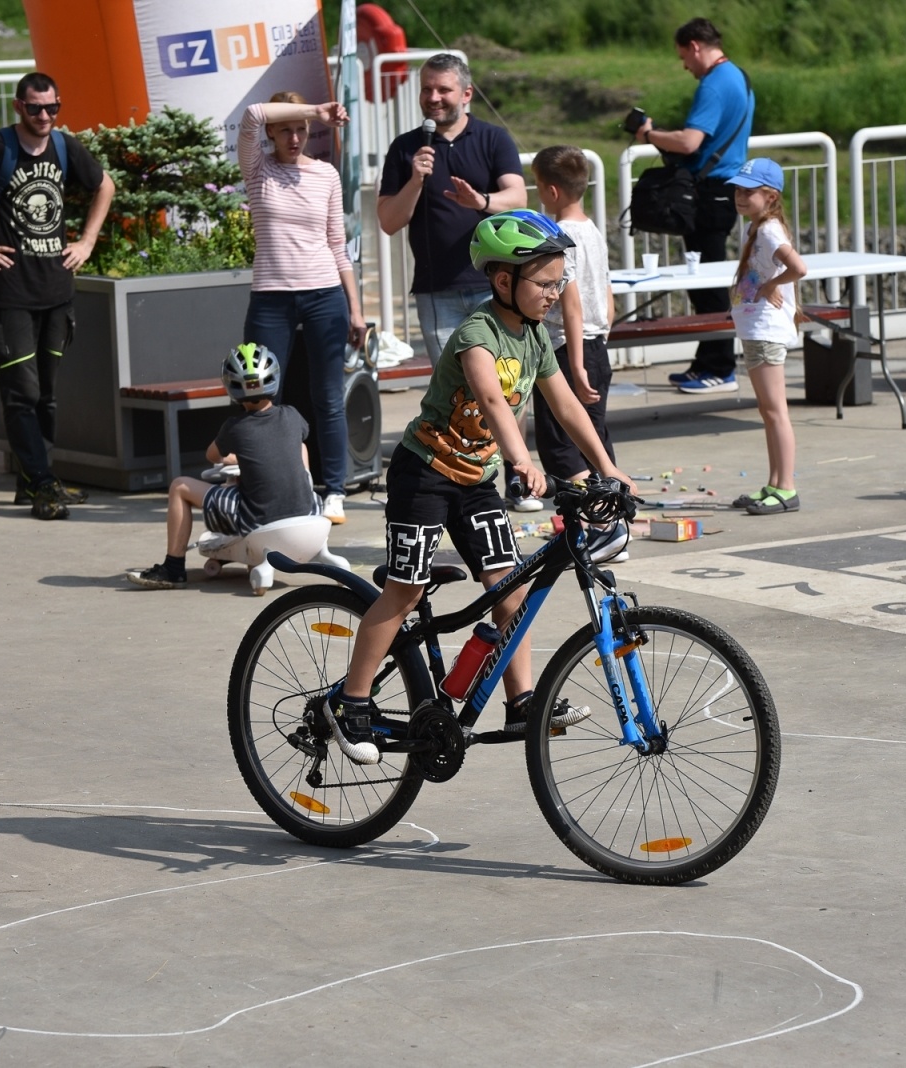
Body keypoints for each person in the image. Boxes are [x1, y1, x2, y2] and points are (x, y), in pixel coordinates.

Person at [319, 212, 634, 765]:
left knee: (510, 591)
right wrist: (521, 460)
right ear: (504, 280)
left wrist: (609, 467)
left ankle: (522, 702)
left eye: (559, 282)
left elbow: (565, 405)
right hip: (424, 473)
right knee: (405, 590)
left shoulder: (534, 337)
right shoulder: (477, 333)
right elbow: (491, 400)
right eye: (545, 284)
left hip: (475, 482)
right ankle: (352, 703)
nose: (554, 294)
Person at [0, 71, 114, 521]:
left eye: (53, 107)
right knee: (21, 393)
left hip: (56, 289)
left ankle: (35, 480)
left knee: (46, 394)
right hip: (9, 291)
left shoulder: (65, 146)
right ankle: (43, 484)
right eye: (35, 108)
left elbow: (104, 185)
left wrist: (87, 241)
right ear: (19, 107)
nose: (45, 116)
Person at [239, 92, 360, 525]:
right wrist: (315, 111)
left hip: (325, 294)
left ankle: (335, 490)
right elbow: (251, 114)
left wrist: (356, 308)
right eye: (286, 128)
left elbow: (337, 244)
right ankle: (274, 487)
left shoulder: (325, 174)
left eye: (302, 129)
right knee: (261, 396)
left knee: (328, 396)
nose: (295, 137)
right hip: (271, 296)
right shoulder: (258, 168)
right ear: (271, 132)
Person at [127, 343, 319, 590]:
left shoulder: (235, 427)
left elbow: (213, 456)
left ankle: (173, 568)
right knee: (300, 446)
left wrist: (238, 458)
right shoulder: (292, 415)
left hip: (259, 522)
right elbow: (292, 445)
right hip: (308, 515)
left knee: (179, 486)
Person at [377, 53, 527, 367]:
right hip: (436, 292)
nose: (433, 98)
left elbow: (518, 198)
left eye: (443, 90)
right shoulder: (405, 148)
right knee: (453, 389)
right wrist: (415, 181)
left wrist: (481, 202)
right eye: (426, 89)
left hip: (493, 285)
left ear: (466, 94)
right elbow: (389, 222)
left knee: (505, 381)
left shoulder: (493, 138)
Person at [633, 17, 755, 395]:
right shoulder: (738, 76)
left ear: (695, 46)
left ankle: (720, 368)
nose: (685, 65)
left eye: (683, 56)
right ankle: (708, 363)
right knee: (707, 280)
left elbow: (689, 142)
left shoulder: (714, 85)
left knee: (707, 284)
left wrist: (649, 134)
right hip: (724, 190)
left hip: (709, 193)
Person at [528, 146, 627, 561]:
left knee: (560, 446)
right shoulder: (592, 230)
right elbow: (606, 292)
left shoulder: (560, 236)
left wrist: (575, 364)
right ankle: (611, 524)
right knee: (593, 438)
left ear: (551, 191)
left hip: (569, 348)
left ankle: (605, 526)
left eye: (537, 186)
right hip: (596, 343)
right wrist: (600, 339)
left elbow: (570, 304)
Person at [725, 158, 806, 516]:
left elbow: (799, 268)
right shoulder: (756, 228)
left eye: (749, 192)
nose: (740, 197)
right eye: (737, 190)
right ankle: (775, 483)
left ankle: (786, 487)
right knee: (768, 411)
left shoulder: (770, 230)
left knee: (775, 411)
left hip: (765, 329)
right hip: (755, 328)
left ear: (770, 196)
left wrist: (773, 285)